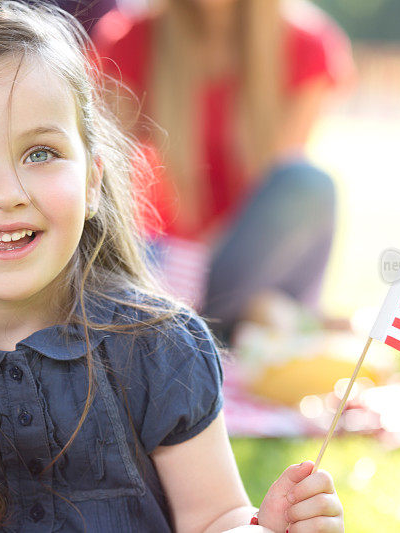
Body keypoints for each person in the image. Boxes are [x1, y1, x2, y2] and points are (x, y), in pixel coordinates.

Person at [0, 3, 344, 531]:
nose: (7, 194)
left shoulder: (157, 346)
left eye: (39, 153)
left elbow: (216, 518)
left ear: (91, 181)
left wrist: (265, 529)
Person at [93, 0, 356, 341]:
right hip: (166, 262)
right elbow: (112, 179)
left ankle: (245, 324)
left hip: (244, 264)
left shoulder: (307, 44)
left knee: (307, 184)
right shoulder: (131, 38)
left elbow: (273, 193)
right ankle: (256, 325)